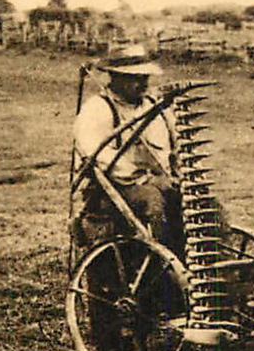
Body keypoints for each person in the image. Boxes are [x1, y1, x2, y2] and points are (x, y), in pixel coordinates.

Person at [72, 44, 183, 253]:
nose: (143, 83)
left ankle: (213, 265)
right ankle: (161, 269)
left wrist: (175, 174)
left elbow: (171, 148)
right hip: (111, 190)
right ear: (115, 77)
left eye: (145, 77)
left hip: (158, 182)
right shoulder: (97, 109)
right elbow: (101, 158)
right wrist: (144, 178)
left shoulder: (154, 106)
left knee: (199, 202)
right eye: (135, 77)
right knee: (152, 201)